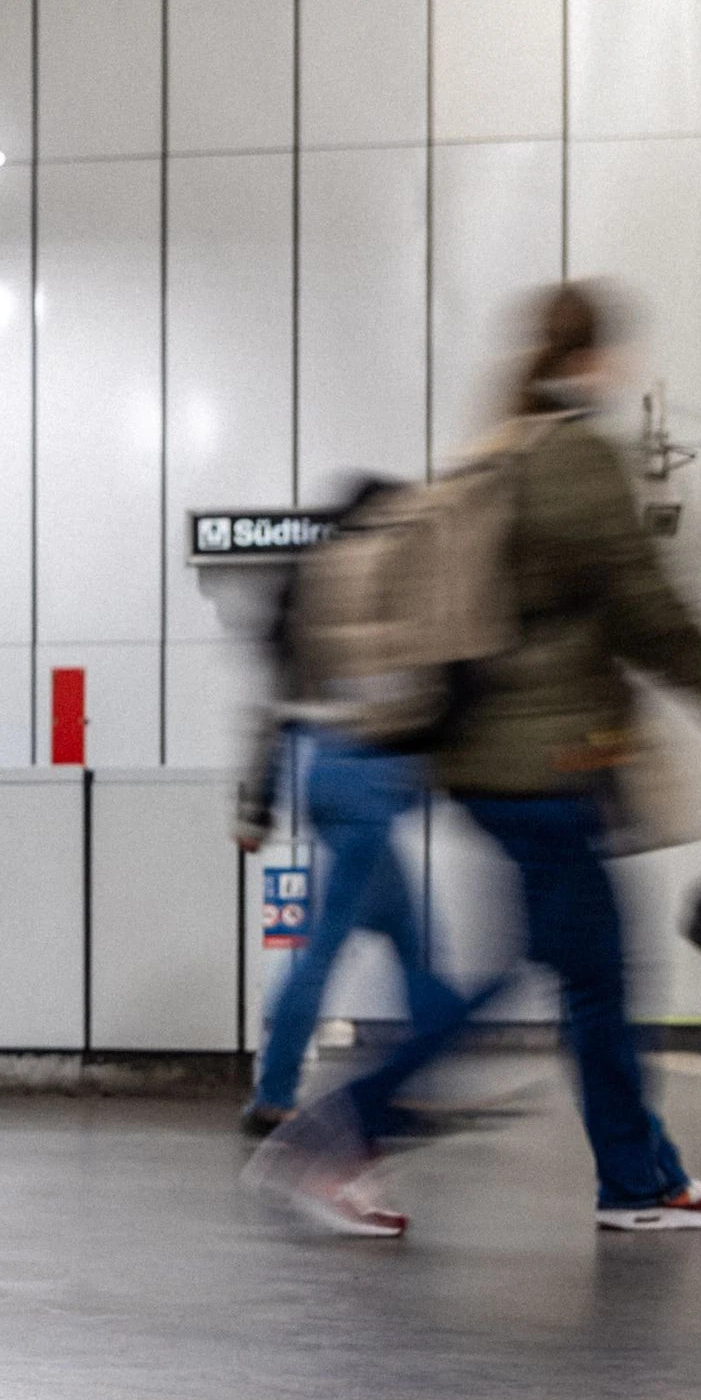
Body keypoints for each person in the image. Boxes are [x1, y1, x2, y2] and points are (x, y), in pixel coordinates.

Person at [250, 283, 701, 1238]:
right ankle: (344, 1133)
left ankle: (642, 1182)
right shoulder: (573, 461)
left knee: (592, 974)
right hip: (550, 766)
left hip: (492, 763)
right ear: (592, 358)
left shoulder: (496, 451)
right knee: (557, 970)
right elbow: (647, 607)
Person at [234, 475, 464, 1137]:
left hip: (325, 770)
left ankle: (409, 1080)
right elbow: (415, 691)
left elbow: (274, 712)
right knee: (326, 942)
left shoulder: (313, 584)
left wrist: (257, 808)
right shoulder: (376, 579)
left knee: (412, 940)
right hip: (363, 777)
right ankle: (276, 1093)